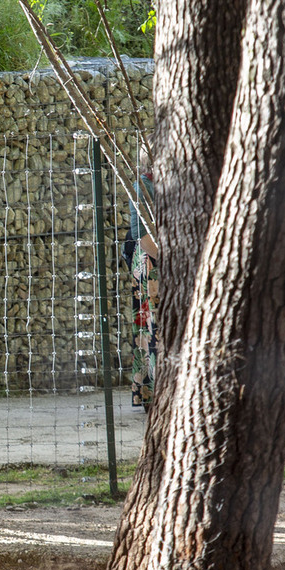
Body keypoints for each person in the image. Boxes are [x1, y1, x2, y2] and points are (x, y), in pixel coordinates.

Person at [123, 148, 158, 411]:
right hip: (150, 261)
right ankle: (152, 391)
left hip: (160, 260)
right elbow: (140, 233)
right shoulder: (142, 185)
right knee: (150, 328)